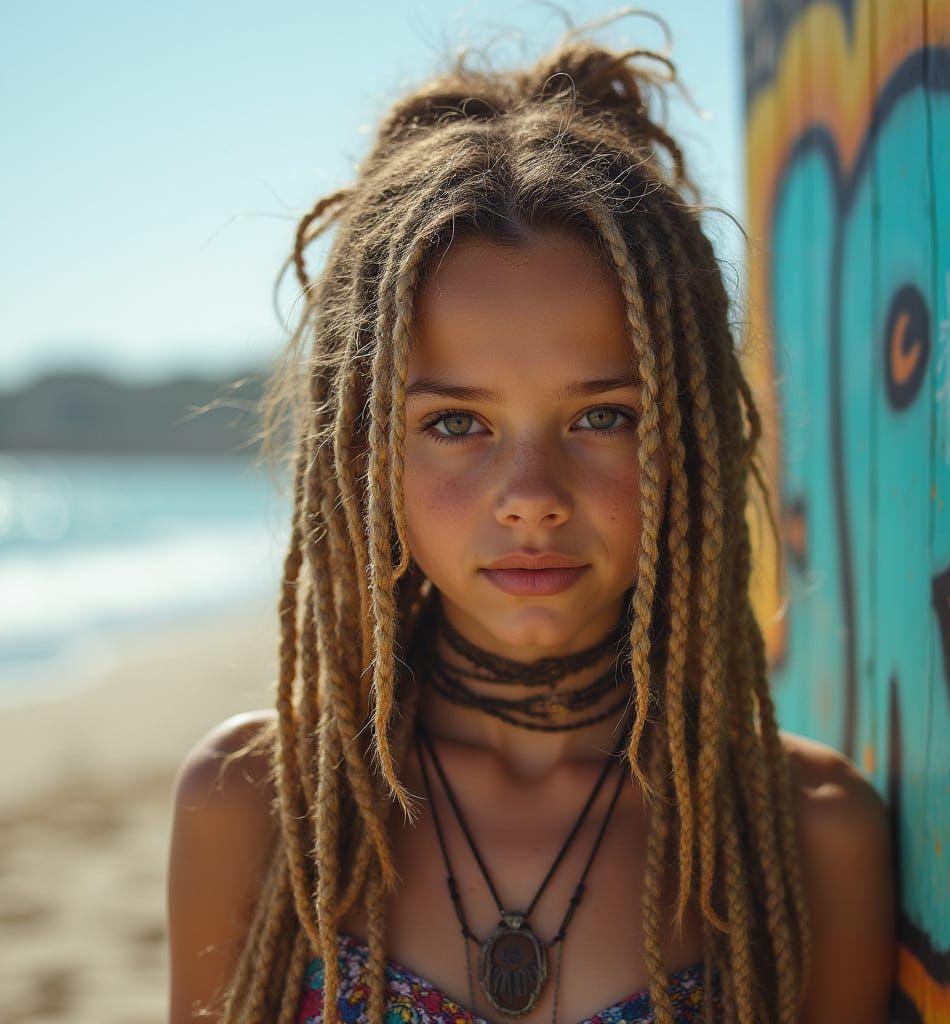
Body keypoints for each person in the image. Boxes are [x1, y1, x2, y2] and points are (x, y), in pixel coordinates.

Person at [166, 18, 895, 1024]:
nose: (531, 491)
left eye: (603, 416)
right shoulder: (259, 806)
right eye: (456, 422)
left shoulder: (808, 835)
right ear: (365, 453)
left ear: (686, 433)